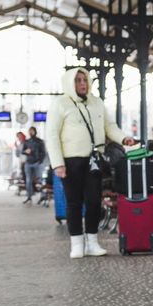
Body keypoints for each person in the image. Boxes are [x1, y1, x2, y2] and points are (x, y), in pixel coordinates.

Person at [46, 68, 137, 259]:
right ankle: (77, 243)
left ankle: (93, 242)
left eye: (85, 80)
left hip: (93, 159)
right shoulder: (60, 104)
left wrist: (123, 139)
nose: (82, 84)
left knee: (94, 202)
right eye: (78, 80)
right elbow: (52, 134)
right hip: (70, 161)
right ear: (70, 83)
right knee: (74, 203)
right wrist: (57, 164)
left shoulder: (97, 103)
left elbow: (109, 127)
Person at [22, 126, 47, 203]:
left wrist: (40, 161)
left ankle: (42, 196)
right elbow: (22, 151)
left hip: (37, 163)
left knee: (40, 180)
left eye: (32, 131)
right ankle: (29, 196)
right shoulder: (26, 142)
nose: (31, 132)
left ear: (35, 131)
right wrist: (26, 151)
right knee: (28, 180)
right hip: (28, 162)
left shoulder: (40, 141)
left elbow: (43, 152)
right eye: (30, 131)